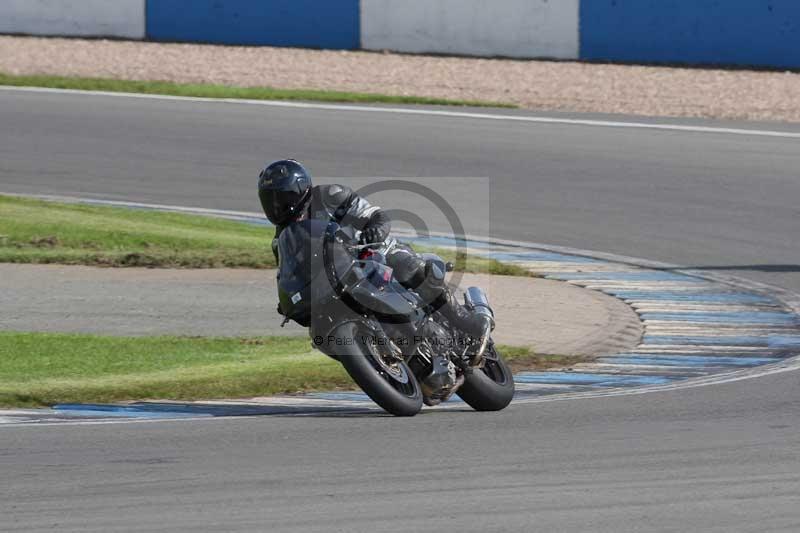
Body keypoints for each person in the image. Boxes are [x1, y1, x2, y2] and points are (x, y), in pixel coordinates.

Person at [257, 159, 492, 338]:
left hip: (372, 253)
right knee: (319, 331)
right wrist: (289, 299)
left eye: (284, 198)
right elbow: (290, 274)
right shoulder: (281, 240)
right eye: (271, 201)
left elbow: (374, 214)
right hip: (336, 281)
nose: (278, 206)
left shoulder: (330, 196)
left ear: (301, 188)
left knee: (407, 265)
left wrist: (375, 229)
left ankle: (462, 319)